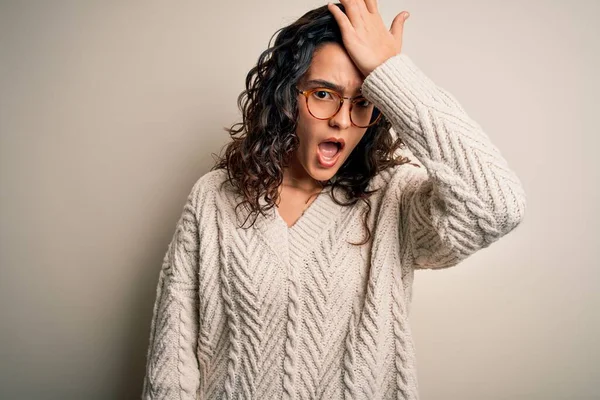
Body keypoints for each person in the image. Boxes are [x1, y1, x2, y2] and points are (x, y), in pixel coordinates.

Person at [141, 1, 527, 399]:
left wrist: (390, 72)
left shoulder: (392, 200)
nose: (343, 119)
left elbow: (497, 205)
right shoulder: (215, 198)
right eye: (324, 94)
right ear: (287, 97)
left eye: (362, 101)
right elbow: (172, 365)